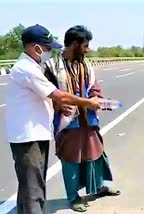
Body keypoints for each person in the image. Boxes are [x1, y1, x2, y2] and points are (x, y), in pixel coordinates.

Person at [4, 24, 101, 214]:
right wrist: (88, 103)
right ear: (36, 47)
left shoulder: (33, 67)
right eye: (47, 48)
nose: (50, 52)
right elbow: (60, 95)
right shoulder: (27, 69)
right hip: (28, 137)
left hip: (34, 133)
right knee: (34, 189)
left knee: (28, 186)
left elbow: (47, 97)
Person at [44, 25, 120, 212]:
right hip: (68, 122)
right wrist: (59, 104)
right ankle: (73, 197)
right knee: (71, 159)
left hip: (89, 119)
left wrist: (98, 99)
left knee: (95, 153)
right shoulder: (51, 67)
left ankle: (99, 187)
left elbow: (94, 86)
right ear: (75, 44)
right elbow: (45, 94)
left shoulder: (85, 64)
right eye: (85, 45)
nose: (88, 49)